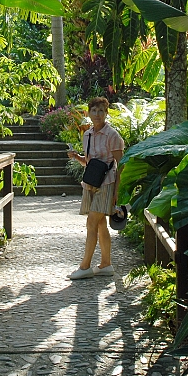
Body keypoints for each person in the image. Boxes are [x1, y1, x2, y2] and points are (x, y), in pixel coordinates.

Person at [66, 97, 124, 280]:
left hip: (107, 184)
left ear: (106, 113)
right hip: (91, 183)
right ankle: (106, 264)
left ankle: (85, 267)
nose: (97, 114)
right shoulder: (87, 134)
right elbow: (90, 163)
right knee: (99, 223)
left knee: (91, 222)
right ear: (89, 113)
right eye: (94, 111)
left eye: (101, 111)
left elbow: (121, 165)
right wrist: (76, 156)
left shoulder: (112, 135)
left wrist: (117, 193)